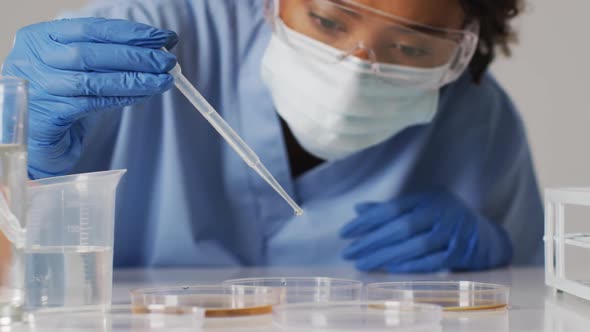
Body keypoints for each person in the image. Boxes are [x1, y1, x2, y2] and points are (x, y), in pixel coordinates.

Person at [2, 0, 544, 272]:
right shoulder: (143, 39)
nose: (356, 67)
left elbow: (531, 296)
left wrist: (500, 255)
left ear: (465, 48)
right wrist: (18, 168)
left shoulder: (478, 118)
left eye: (409, 48)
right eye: (329, 20)